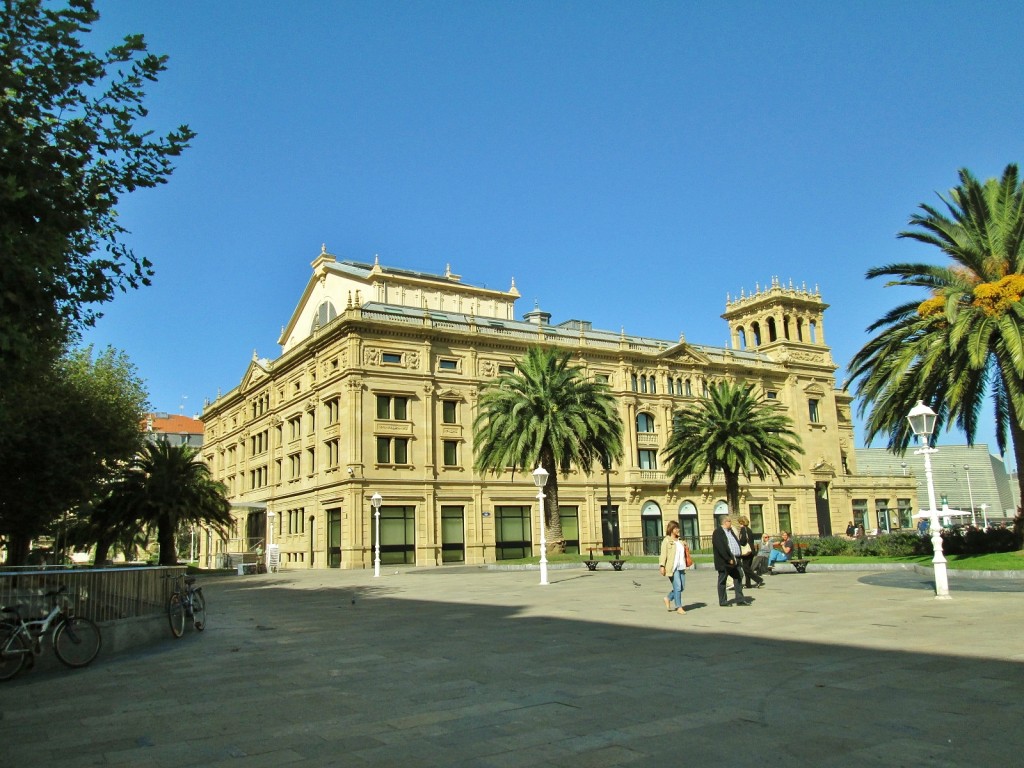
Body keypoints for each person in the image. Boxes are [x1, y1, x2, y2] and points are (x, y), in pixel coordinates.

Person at [712, 517, 749, 607]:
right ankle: (723, 601)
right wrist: (728, 558)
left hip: (735, 559)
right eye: (730, 522)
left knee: (738, 577)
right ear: (725, 522)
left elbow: (737, 542)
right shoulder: (718, 532)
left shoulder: (730, 531)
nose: (731, 524)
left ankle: (740, 599)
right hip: (725, 561)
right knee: (722, 580)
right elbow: (720, 547)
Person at [658, 520, 688, 614]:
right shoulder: (667, 540)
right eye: (676, 528)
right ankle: (679, 607)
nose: (678, 529)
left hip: (681, 566)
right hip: (672, 567)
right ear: (671, 529)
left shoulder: (680, 540)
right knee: (678, 587)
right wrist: (662, 566)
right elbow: (663, 554)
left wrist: (685, 545)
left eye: (678, 528)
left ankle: (668, 598)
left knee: (682, 587)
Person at [736, 516, 763, 588]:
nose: (739, 524)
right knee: (747, 567)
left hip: (746, 551)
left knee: (745, 568)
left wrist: (739, 542)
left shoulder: (743, 529)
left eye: (739, 522)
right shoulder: (749, 529)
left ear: (741, 522)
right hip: (751, 550)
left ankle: (758, 579)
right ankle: (748, 584)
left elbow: (743, 540)